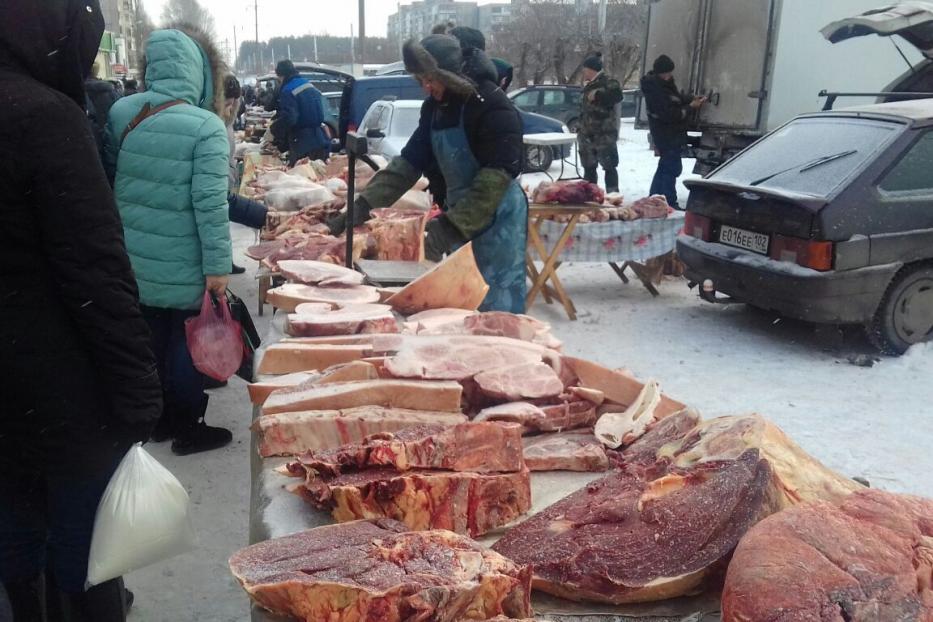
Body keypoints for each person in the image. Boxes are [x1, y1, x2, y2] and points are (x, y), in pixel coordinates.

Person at [0, 1, 162, 619]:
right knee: (88, 549)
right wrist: (139, 393)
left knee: (15, 534)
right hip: (60, 388)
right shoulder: (45, 117)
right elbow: (96, 271)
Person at [105, 24, 234, 455]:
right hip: (186, 258)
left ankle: (156, 419)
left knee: (151, 339)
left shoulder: (122, 113)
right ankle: (188, 425)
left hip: (134, 256)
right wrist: (218, 266)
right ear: (197, 70)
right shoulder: (207, 127)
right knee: (187, 343)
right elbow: (211, 204)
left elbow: (107, 177)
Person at [330, 35, 527, 313]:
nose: (425, 87)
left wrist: (449, 228)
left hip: (497, 216)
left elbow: (495, 178)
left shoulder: (491, 104)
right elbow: (408, 164)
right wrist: (359, 209)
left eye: (430, 79)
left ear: (448, 74)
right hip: (460, 212)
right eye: (420, 79)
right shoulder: (435, 107)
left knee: (496, 302)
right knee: (461, 301)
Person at [641, 54, 706, 208]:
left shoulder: (664, 85)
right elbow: (669, 114)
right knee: (671, 168)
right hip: (666, 134)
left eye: (670, 72)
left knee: (665, 167)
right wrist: (691, 107)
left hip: (670, 134)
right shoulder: (656, 89)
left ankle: (655, 197)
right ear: (659, 73)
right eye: (666, 73)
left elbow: (675, 98)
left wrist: (690, 98)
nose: (669, 76)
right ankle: (669, 200)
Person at [223, 74, 268, 274]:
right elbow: (215, 200)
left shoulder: (225, 121)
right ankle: (223, 262)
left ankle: (224, 261)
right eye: (227, 104)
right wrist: (262, 215)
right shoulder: (210, 125)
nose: (231, 108)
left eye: (233, 103)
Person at [577, 52, 624, 193]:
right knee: (589, 168)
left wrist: (599, 95)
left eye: (585, 69)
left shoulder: (608, 82)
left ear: (591, 69)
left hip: (604, 135)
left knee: (609, 166)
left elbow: (617, 96)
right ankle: (591, 197)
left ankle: (613, 196)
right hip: (587, 136)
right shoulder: (587, 85)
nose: (583, 72)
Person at [274, 60, 329, 165]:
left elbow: (290, 118)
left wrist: (275, 130)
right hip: (320, 138)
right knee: (318, 175)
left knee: (301, 175)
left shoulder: (288, 90)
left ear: (281, 75)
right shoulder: (308, 84)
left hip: (302, 142)